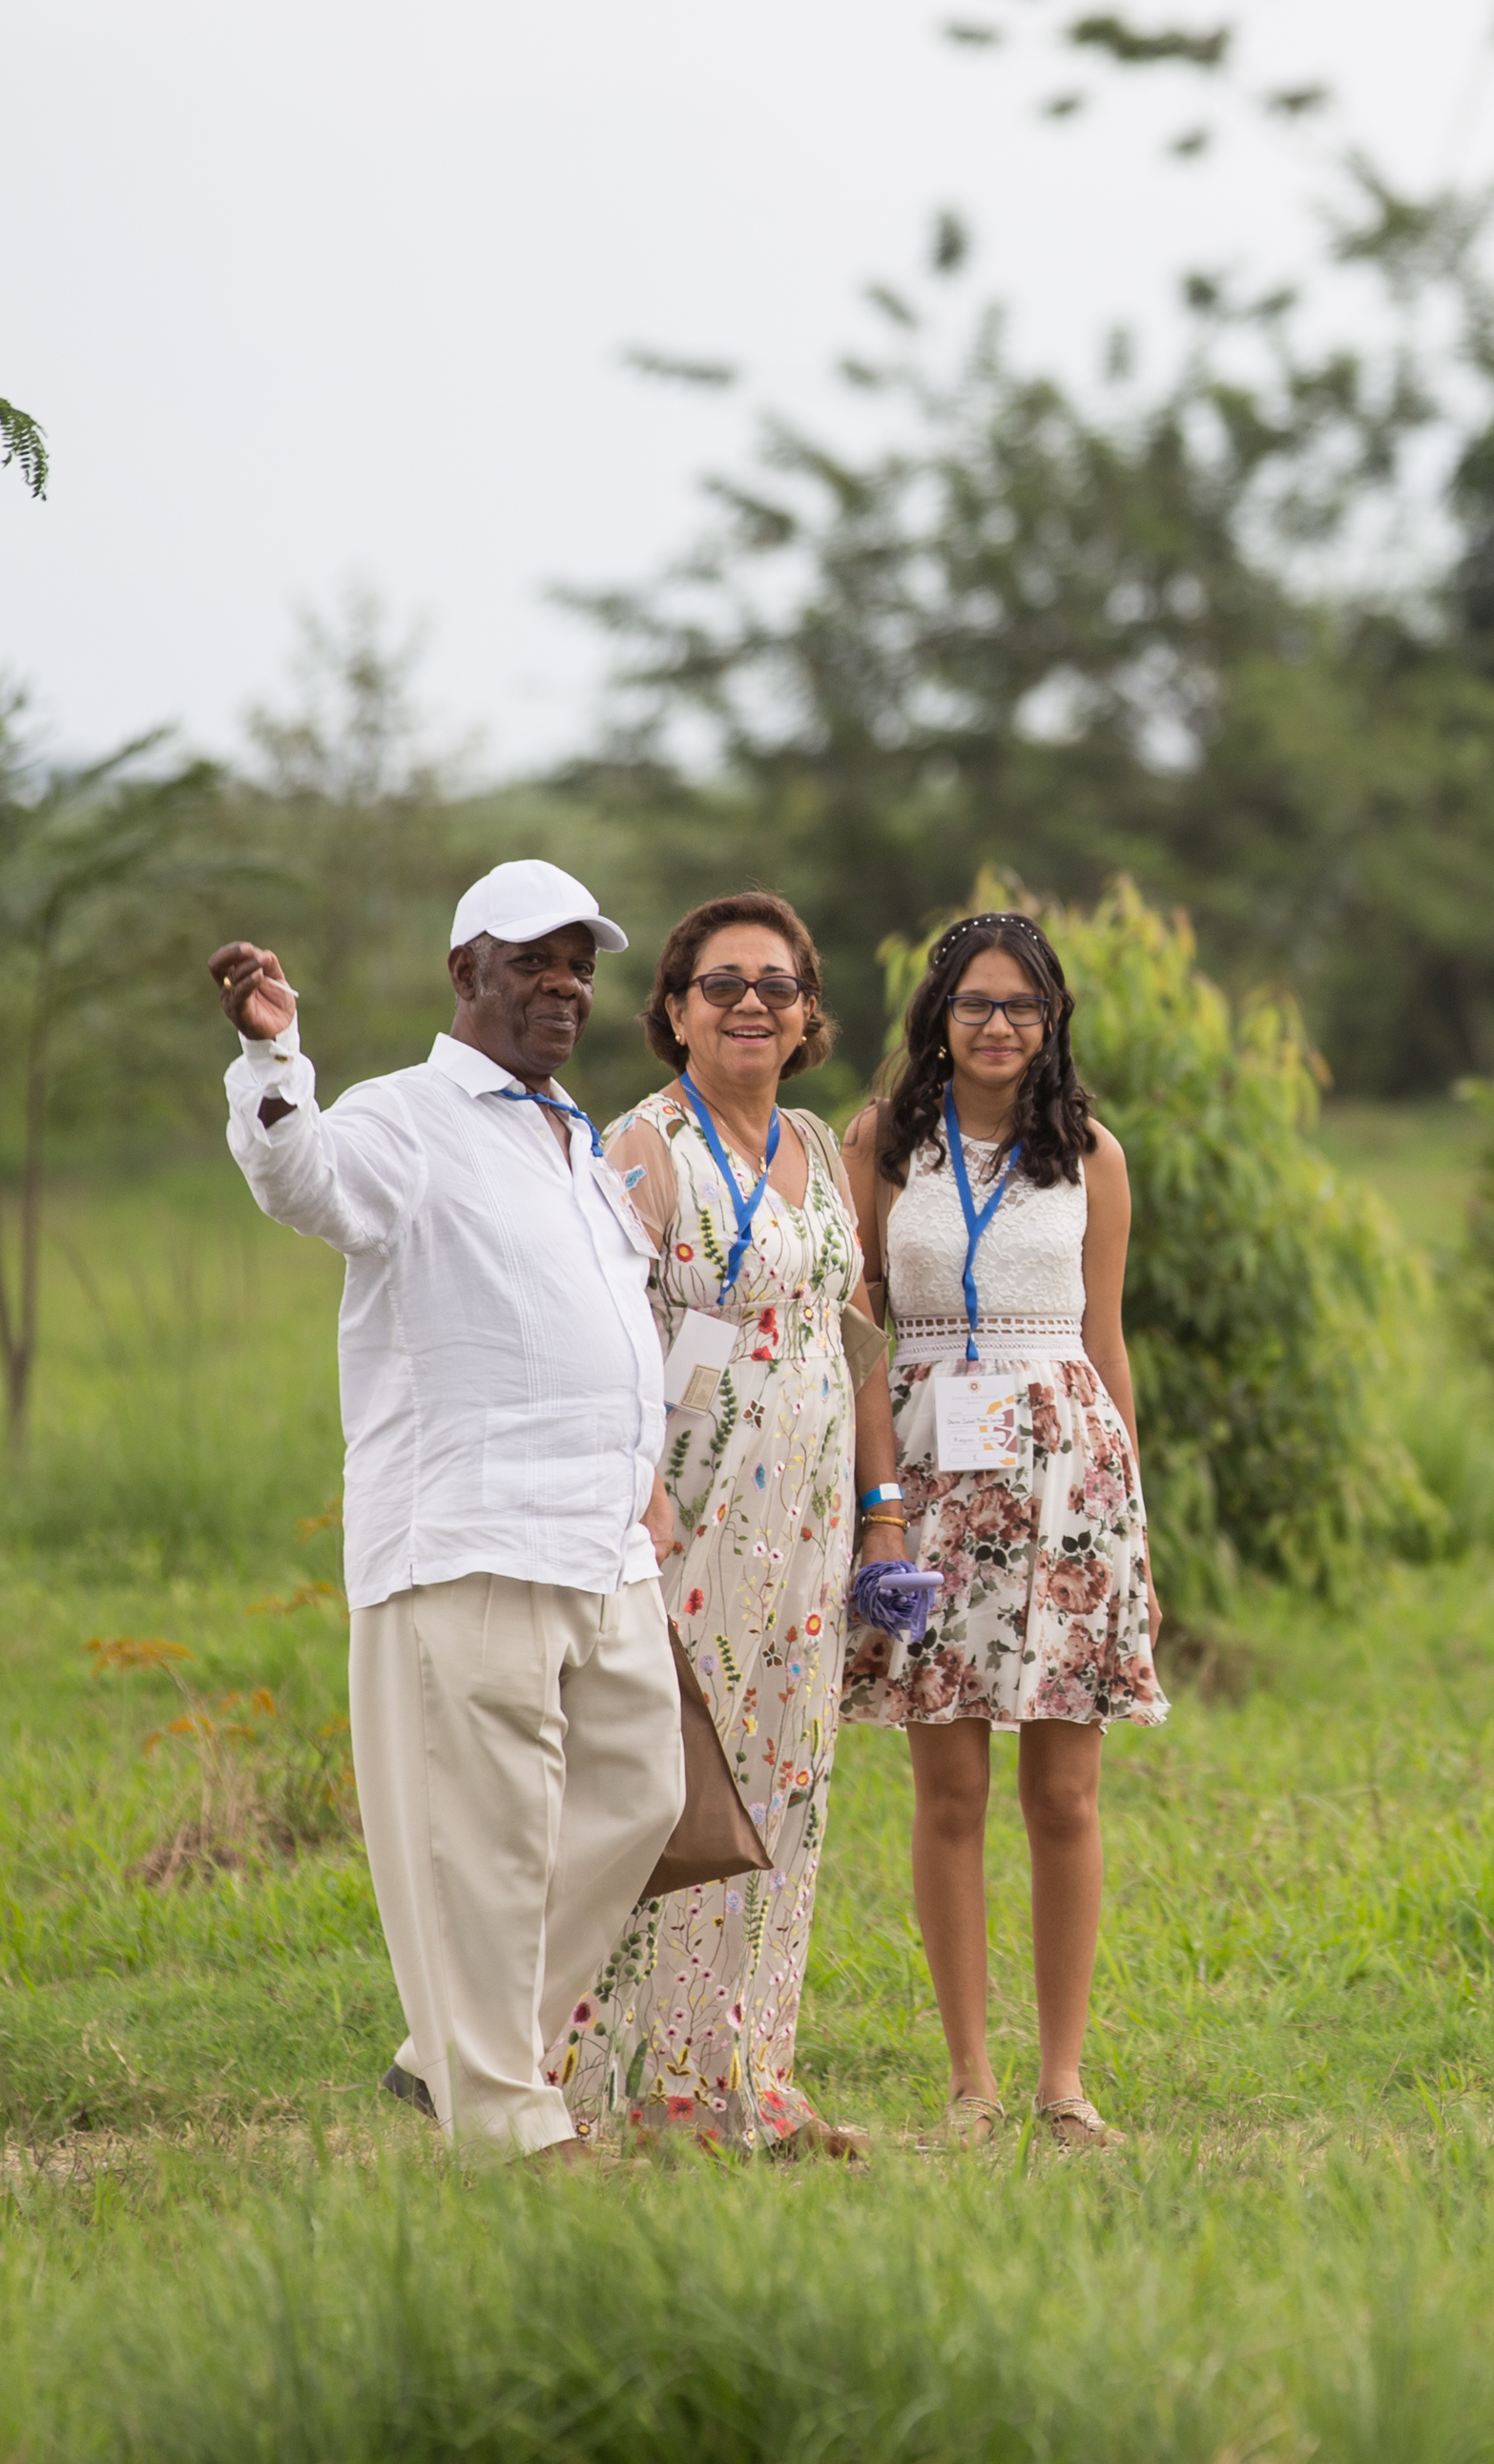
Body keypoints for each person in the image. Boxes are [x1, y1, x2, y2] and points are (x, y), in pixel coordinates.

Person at [210, 860, 682, 2164]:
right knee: (482, 1841)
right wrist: (274, 1056)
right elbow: (304, 1176)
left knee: (641, 1794)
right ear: (467, 970)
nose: (566, 984)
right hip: (469, 1536)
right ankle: (508, 2122)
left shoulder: (572, 1132)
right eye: (538, 958)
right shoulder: (406, 1115)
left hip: (602, 1538)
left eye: (581, 962)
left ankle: (448, 2055)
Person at [554, 892, 918, 2159]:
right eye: (722, 983)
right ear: (672, 1009)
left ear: (810, 1011)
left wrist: (884, 1514)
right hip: (685, 1511)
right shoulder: (641, 1148)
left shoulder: (820, 1148)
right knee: (667, 1784)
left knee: (785, 1788)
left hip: (813, 1518)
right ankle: (623, 2083)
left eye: (775, 983)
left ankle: (750, 2074)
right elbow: (600, 1344)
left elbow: (855, 1339)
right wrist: (631, 1494)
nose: (750, 1002)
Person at [839, 909, 1165, 2150]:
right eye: (975, 1003)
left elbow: (1106, 1335)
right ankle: (970, 2081)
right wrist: (873, 1498)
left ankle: (1063, 2082)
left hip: (1067, 1479)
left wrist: (1132, 1510)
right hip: (922, 1466)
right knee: (950, 1782)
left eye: (1021, 1006)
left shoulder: (1090, 1152)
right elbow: (858, 1323)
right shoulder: (884, 1142)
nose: (997, 1026)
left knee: (1067, 1793)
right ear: (939, 1015)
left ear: (1052, 1020)